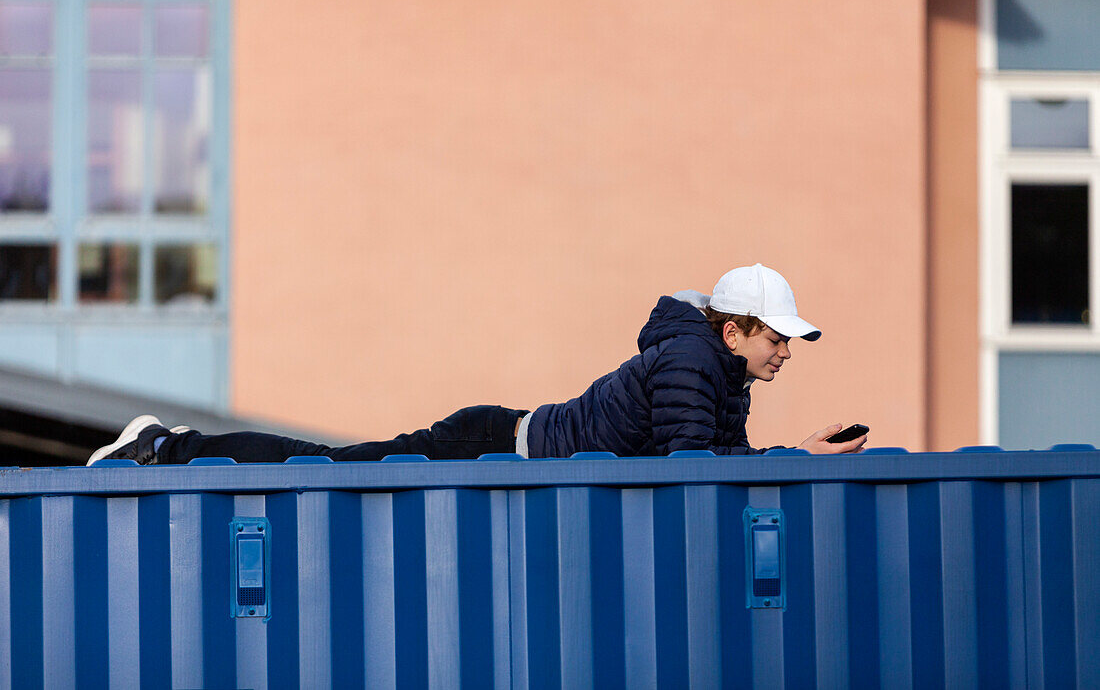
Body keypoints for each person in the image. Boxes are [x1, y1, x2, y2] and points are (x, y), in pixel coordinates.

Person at [86, 264, 867, 466]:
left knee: (333, 464)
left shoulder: (716, 370)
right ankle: (168, 444)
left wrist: (794, 455)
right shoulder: (692, 362)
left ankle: (173, 442)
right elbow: (697, 469)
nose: (785, 351)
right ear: (733, 331)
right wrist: (789, 458)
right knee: (328, 467)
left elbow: (708, 461)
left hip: (507, 436)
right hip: (489, 443)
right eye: (776, 336)